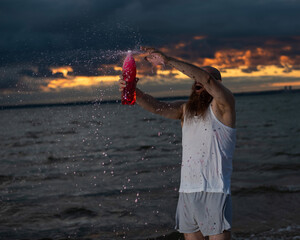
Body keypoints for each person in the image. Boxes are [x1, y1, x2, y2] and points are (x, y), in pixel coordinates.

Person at [119, 46, 236, 240]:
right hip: (187, 192)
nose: (199, 80)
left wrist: (168, 60)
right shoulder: (185, 110)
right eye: (196, 78)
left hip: (214, 190)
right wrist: (133, 90)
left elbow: (206, 79)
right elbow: (157, 107)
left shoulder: (225, 107)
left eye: (207, 78)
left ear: (218, 85)